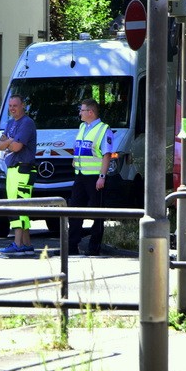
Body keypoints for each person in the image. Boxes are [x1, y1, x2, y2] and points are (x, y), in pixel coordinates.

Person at [67, 98, 114, 256]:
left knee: (97, 214)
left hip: (95, 177)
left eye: (82, 110)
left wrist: (102, 177)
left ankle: (94, 248)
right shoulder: (82, 127)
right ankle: (72, 246)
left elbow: (106, 155)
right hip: (80, 176)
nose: (79, 113)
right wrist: (75, 160)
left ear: (91, 112)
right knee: (74, 212)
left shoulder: (103, 129)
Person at [0, 94, 37, 255]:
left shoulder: (27, 123)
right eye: (10, 106)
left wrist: (9, 142)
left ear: (23, 106)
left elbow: (17, 147)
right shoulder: (10, 123)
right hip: (12, 170)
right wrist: (9, 141)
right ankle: (26, 243)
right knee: (18, 206)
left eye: (15, 105)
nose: (12, 108)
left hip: (23, 169)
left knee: (18, 207)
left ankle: (17, 244)